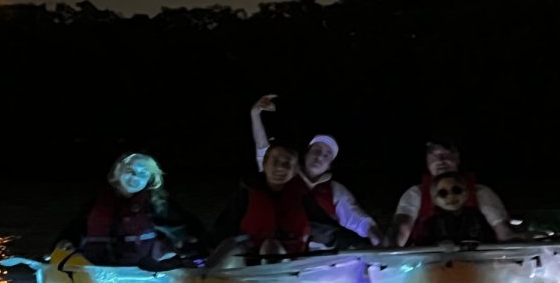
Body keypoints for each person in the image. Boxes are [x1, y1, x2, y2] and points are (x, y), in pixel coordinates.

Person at [249, 94, 378, 249]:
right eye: (316, 150)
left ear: (329, 165)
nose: (320, 156)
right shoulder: (285, 174)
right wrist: (255, 115)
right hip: (284, 248)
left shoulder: (335, 190)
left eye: (327, 155)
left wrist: (374, 234)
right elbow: (264, 151)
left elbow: (357, 218)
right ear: (306, 154)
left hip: (321, 256)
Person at [55, 153, 203, 267]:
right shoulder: (96, 204)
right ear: (117, 173)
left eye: (143, 173)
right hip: (101, 270)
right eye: (129, 170)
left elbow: (189, 228)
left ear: (150, 179)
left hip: (144, 272)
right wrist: (67, 241)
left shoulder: (159, 205)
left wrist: (190, 244)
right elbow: (75, 229)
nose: (135, 177)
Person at [201, 140, 311, 268]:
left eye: (287, 163)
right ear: (264, 164)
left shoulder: (305, 197)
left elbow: (322, 227)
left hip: (288, 258)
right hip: (249, 252)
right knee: (228, 245)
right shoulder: (248, 191)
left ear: (295, 170)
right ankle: (205, 276)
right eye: (275, 161)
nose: (280, 167)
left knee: (271, 247)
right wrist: (204, 246)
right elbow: (225, 224)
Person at [390, 138, 514, 247]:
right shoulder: (415, 193)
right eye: (434, 156)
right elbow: (401, 228)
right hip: (428, 262)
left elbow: (503, 230)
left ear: (457, 158)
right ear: (427, 161)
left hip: (477, 260)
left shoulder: (481, 192)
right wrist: (390, 251)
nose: (441, 160)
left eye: (446, 154)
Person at [409, 171, 498, 245]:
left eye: (456, 190)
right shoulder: (429, 223)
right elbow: (421, 247)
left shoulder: (478, 217)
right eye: (443, 193)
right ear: (434, 199)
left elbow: (490, 241)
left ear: (466, 193)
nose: (451, 196)